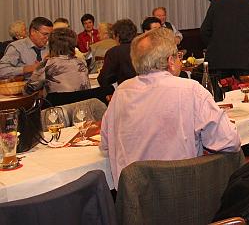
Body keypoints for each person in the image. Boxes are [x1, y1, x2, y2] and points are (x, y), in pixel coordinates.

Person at [100, 28, 241, 188]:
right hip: (183, 192)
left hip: (134, 196)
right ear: (171, 61)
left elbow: (105, 144)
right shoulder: (190, 89)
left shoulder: (121, 92)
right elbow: (229, 141)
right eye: (178, 56)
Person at [24, 27, 90, 100]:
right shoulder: (81, 62)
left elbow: (27, 91)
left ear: (51, 45)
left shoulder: (47, 64)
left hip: (57, 106)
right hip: (82, 105)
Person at [97, 19, 138, 91]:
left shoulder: (114, 52)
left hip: (125, 92)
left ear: (117, 36)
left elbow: (104, 79)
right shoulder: (142, 48)